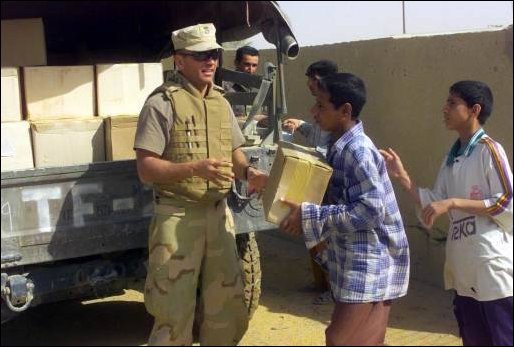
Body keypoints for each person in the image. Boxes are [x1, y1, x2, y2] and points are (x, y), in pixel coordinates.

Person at [134, 23, 267, 346]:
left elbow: (234, 152)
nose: (211, 62)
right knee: (173, 313)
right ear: (179, 61)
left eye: (215, 55)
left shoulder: (221, 102)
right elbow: (146, 168)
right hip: (177, 218)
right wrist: (195, 168)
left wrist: (249, 173)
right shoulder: (161, 104)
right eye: (201, 56)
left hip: (218, 217)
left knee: (228, 312)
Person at [279, 73, 410, 346]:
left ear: (345, 110)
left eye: (321, 106)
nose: (313, 112)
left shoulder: (357, 151)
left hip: (371, 261)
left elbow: (370, 211)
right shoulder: (338, 147)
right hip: (356, 258)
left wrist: (308, 214)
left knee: (340, 339)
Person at [380, 80, 513, 346]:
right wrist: (404, 179)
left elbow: (506, 201)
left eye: (453, 103)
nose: (445, 108)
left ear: (475, 110)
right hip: (463, 270)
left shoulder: (489, 150)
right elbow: (434, 202)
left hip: (491, 268)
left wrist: (453, 203)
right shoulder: (452, 159)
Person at [283, 60, 338, 305]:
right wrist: (300, 126)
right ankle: (320, 283)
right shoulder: (321, 105)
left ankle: (332, 286)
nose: (308, 84)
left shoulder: (333, 106)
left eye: (311, 79)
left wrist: (304, 155)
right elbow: (317, 133)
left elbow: (329, 147)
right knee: (312, 234)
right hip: (315, 179)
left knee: (325, 236)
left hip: (326, 181)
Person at [282, 60, 337, 151]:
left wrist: (303, 153)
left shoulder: (334, 107)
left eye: (314, 79)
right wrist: (299, 124)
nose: (309, 83)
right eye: (309, 79)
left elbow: (332, 153)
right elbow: (317, 135)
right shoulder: (323, 101)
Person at [223, 46, 267, 127]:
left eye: (254, 65)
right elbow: (221, 119)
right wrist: (253, 119)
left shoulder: (260, 88)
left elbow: (264, 118)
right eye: (247, 64)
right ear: (236, 63)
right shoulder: (224, 88)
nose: (250, 69)